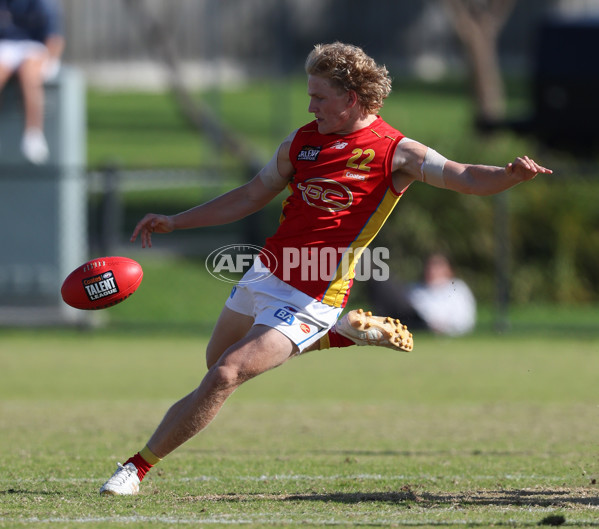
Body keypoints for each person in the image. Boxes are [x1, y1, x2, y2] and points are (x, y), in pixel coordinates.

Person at [99, 42, 552, 495]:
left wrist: (509, 175)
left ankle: (134, 469)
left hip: (314, 295)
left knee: (225, 375)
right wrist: (177, 220)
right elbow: (249, 195)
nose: (310, 105)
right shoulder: (301, 142)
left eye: (320, 97)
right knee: (212, 368)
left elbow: (465, 176)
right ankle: (339, 335)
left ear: (351, 98)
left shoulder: (396, 152)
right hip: (265, 272)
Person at [0, 0, 64, 164]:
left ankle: (33, 133)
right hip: (5, 46)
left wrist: (51, 61)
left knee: (29, 75)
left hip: (33, 47)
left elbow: (54, 36)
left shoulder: (40, 3)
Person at [368, 253, 477, 336]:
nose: (432, 271)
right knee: (385, 284)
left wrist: (442, 326)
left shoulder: (457, 288)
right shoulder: (417, 288)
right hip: (407, 319)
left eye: (438, 267)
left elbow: (465, 320)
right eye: (430, 267)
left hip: (428, 325)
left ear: (449, 270)